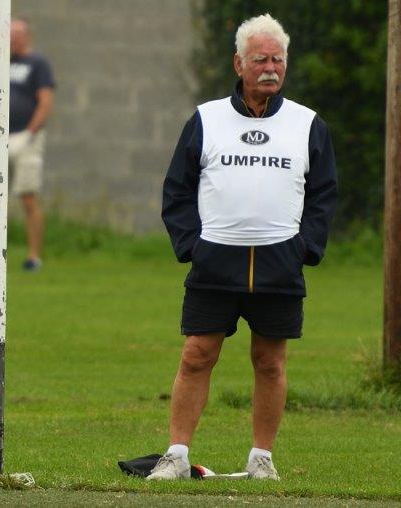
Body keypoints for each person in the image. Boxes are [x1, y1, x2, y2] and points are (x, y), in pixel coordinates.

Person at [150, 14, 337, 481]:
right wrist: (192, 245)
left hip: (280, 262)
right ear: (239, 63)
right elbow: (177, 189)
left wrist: (305, 248)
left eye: (278, 59)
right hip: (216, 260)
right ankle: (175, 456)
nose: (270, 68)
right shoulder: (207, 119)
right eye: (260, 59)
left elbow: (323, 194)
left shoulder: (307, 124)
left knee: (270, 362)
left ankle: (261, 460)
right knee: (197, 353)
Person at [9, 16, 55, 271]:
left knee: (28, 198)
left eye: (17, 36)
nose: (13, 41)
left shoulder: (38, 64)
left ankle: (34, 256)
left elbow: (45, 101)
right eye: (9, 36)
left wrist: (30, 132)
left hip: (27, 138)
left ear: (27, 36)